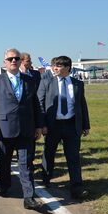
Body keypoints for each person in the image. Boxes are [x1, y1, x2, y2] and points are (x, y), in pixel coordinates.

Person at [0, 48, 43, 210]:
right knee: (5, 162)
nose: (13, 61)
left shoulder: (29, 80)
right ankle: (5, 186)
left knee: (26, 163)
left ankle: (29, 197)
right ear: (5, 62)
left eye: (16, 58)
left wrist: (38, 125)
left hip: (26, 129)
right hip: (5, 128)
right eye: (10, 59)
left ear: (20, 61)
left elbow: (35, 105)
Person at [37, 56, 90, 199]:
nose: (55, 68)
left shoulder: (78, 84)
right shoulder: (47, 82)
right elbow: (40, 104)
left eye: (59, 65)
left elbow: (82, 105)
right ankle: (46, 179)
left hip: (72, 125)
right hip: (53, 126)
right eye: (55, 65)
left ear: (68, 68)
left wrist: (85, 125)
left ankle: (77, 188)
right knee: (49, 153)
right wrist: (42, 125)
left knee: (73, 157)